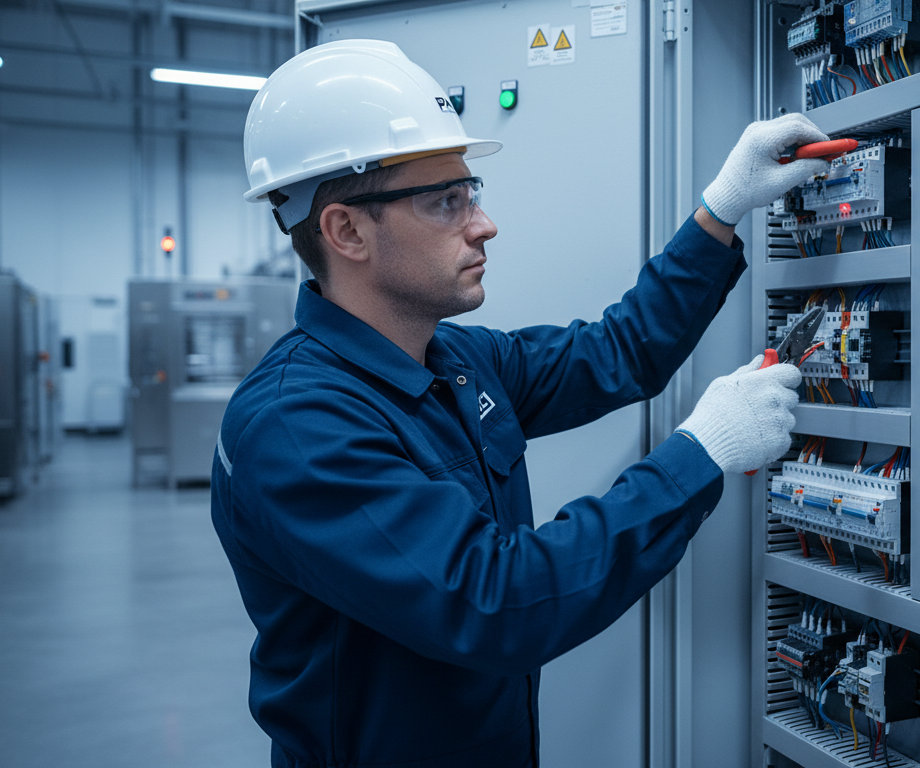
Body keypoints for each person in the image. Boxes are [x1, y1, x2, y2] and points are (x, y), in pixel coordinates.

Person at [212, 39, 832, 768]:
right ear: (346, 230)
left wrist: (721, 207)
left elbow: (619, 351)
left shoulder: (456, 359)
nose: (483, 223)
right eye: (446, 201)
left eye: (469, 191)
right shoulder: (295, 426)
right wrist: (702, 453)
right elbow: (497, 602)